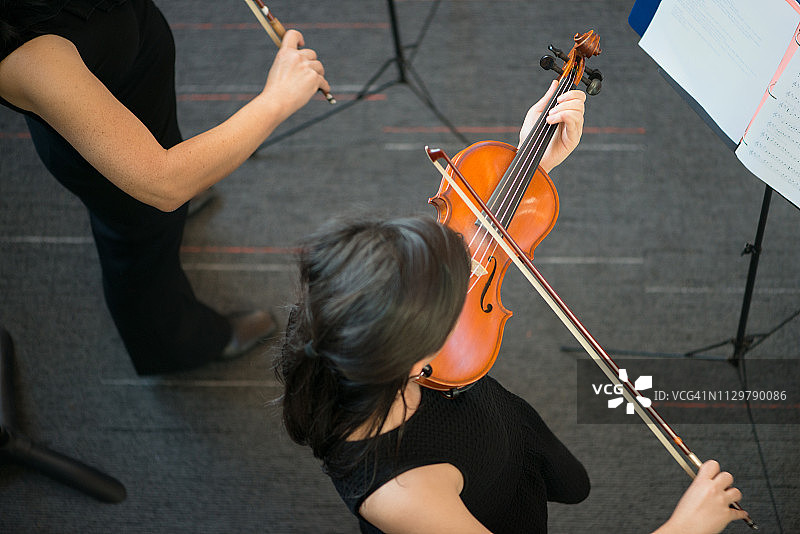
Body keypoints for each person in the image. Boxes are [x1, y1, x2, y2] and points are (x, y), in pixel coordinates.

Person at [275, 88, 749, 532]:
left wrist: (528, 165)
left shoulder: (342, 315)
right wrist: (683, 528)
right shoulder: (403, 495)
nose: (470, 287)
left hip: (495, 435)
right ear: (413, 358)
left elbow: (481, 245)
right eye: (450, 303)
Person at [0, 0, 330, 374]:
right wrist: (278, 99)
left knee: (173, 185)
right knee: (141, 246)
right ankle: (173, 345)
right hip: (121, 171)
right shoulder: (27, 53)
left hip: (140, 99)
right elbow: (165, 182)